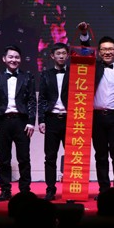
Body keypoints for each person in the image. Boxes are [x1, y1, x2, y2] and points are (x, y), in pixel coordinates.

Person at [78, 22, 114, 200]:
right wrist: (84, 35)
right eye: (104, 49)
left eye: (110, 49)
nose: (107, 52)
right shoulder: (94, 67)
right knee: (101, 156)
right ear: (99, 52)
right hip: (97, 118)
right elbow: (85, 51)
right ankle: (104, 191)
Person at [0, 44, 37, 202]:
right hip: (3, 121)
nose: (13, 60)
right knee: (4, 159)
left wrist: (31, 122)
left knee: (24, 158)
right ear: (4, 59)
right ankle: (5, 190)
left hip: (21, 121)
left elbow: (32, 101)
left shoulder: (27, 77)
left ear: (20, 59)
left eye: (16, 57)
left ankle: (25, 190)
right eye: (10, 57)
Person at [37, 41, 70, 201]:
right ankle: (50, 189)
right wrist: (41, 120)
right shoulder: (46, 74)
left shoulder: (75, 73)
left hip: (70, 119)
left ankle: (72, 190)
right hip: (51, 119)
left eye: (64, 53)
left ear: (67, 55)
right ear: (52, 56)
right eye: (58, 54)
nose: (61, 56)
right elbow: (42, 99)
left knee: (72, 157)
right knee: (50, 157)